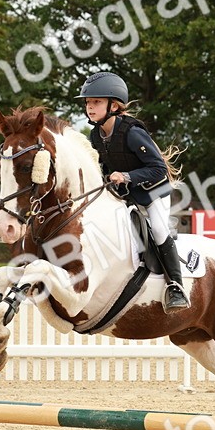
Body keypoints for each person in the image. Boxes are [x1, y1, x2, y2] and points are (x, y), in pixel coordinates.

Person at [76, 71, 189, 311]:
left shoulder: (132, 132)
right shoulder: (96, 135)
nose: (90, 107)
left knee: (158, 229)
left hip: (153, 193)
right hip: (126, 194)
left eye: (96, 101)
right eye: (87, 102)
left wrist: (126, 176)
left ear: (113, 105)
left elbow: (158, 169)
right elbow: (105, 167)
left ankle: (176, 287)